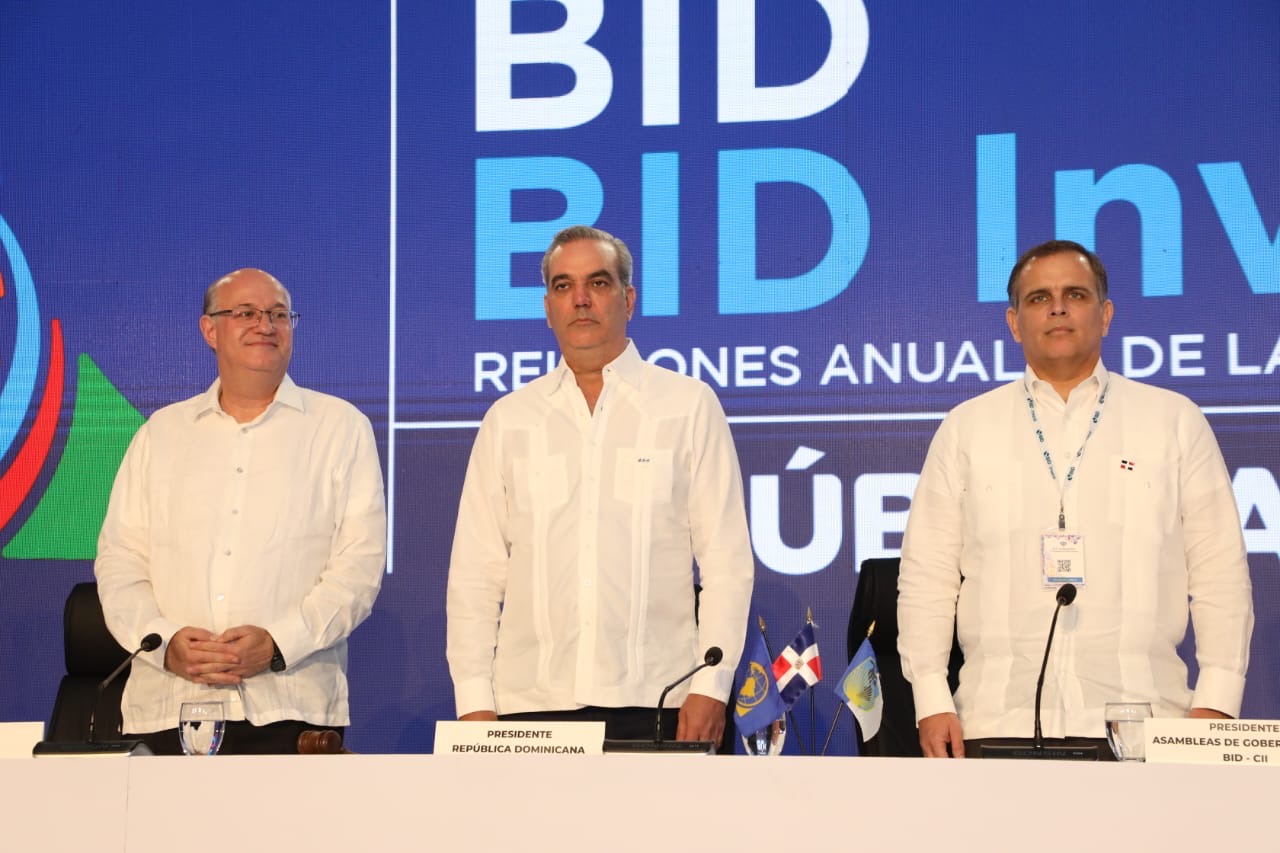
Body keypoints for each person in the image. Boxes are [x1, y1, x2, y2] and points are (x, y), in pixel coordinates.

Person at [897, 239, 1253, 758]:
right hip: (995, 720)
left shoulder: (1173, 421)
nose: (1058, 308)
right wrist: (931, 698)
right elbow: (928, 575)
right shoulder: (967, 428)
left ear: (1105, 316)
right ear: (1014, 323)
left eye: (1076, 295)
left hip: (1143, 723)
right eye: (1039, 298)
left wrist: (1217, 703)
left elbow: (1219, 570)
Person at [446, 225, 754, 745]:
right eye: (563, 286)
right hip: (528, 710)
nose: (581, 299)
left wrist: (712, 685)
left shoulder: (687, 406)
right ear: (548, 308)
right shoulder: (509, 420)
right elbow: (475, 574)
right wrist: (474, 700)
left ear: (628, 300)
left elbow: (727, 562)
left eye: (599, 282)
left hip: (659, 703)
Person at [95, 268, 386, 754]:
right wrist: (164, 643)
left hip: (291, 709)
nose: (265, 326)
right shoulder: (161, 434)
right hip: (168, 705)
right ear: (210, 330)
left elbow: (359, 566)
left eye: (279, 315)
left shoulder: (340, 428)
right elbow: (120, 561)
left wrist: (277, 644)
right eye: (246, 313)